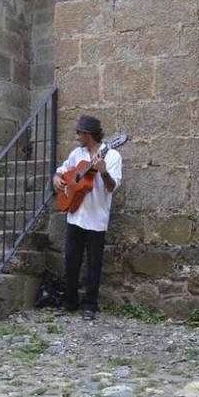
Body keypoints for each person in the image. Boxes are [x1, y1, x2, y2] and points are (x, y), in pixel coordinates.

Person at [52, 115, 123, 321]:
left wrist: (103, 173)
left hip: (97, 217)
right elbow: (61, 172)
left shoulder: (113, 156)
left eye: (79, 133)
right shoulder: (77, 154)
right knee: (71, 260)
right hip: (75, 215)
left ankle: (90, 304)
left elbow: (112, 187)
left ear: (89, 134)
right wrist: (57, 179)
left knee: (94, 263)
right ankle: (70, 301)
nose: (76, 137)